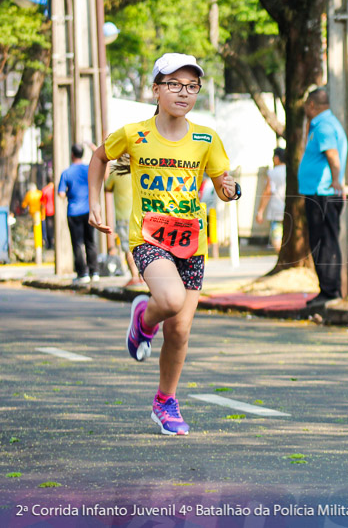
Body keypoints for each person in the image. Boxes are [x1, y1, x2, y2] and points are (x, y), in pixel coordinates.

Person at [87, 52, 237, 435]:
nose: (183, 93)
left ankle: (164, 402)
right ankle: (143, 318)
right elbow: (100, 157)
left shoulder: (207, 138)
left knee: (180, 332)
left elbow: (222, 184)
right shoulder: (134, 133)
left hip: (191, 242)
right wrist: (93, 204)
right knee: (168, 301)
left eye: (191, 86)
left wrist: (227, 188)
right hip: (149, 237)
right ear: (156, 89)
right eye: (173, 84)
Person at [299, 87, 348, 310]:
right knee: (324, 241)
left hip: (323, 194)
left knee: (324, 243)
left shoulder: (324, 125)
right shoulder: (324, 123)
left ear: (312, 105)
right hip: (321, 194)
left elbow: (332, 155)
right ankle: (328, 289)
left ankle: (330, 291)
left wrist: (336, 180)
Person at [59, 143, 98, 283]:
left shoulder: (67, 173)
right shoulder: (88, 170)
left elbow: (61, 194)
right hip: (89, 211)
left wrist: (70, 193)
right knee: (91, 242)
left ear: (72, 155)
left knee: (77, 243)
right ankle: (94, 272)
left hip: (74, 212)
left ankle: (82, 273)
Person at [104, 157, 142, 286]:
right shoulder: (138, 169)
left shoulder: (116, 172)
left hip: (123, 217)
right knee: (141, 246)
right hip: (140, 215)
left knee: (128, 248)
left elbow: (107, 187)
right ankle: (142, 276)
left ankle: (135, 276)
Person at [256, 148, 286, 253]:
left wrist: (260, 211)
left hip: (276, 211)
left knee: (277, 238)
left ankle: (281, 256)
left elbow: (267, 191)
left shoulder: (272, 173)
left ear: (277, 158)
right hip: (289, 211)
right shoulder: (291, 171)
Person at [41, 180, 55, 248]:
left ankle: (50, 243)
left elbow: (42, 201)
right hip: (55, 211)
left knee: (49, 227)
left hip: (48, 211)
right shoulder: (55, 189)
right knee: (53, 227)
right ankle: (53, 241)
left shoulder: (45, 190)